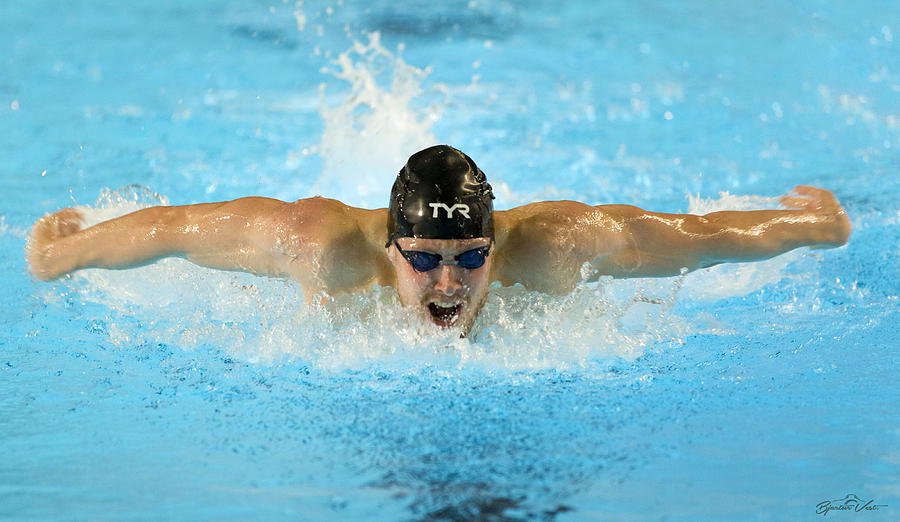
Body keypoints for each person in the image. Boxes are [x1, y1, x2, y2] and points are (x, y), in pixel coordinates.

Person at [27, 145, 851, 335]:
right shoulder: (317, 245)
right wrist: (60, 251)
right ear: (391, 248)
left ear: (498, 246)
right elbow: (174, 231)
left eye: (469, 259)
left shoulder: (561, 245)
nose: (447, 286)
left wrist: (812, 224)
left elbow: (701, 237)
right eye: (423, 260)